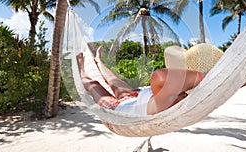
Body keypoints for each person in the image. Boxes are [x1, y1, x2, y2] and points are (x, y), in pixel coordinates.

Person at [77, 46, 207, 116]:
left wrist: (202, 76)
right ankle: (99, 62)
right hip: (134, 97)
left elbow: (159, 76)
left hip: (116, 108)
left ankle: (82, 71)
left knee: (94, 83)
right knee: (114, 79)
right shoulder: (173, 92)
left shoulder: (170, 100)